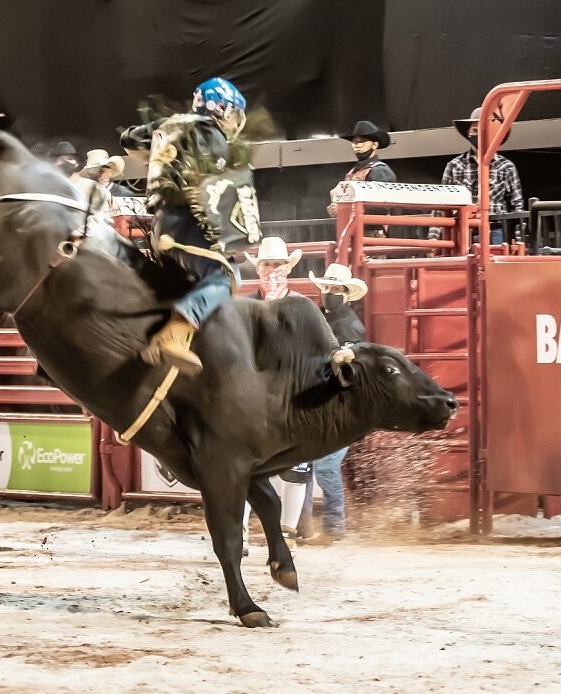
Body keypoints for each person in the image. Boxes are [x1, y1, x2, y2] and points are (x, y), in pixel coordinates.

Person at [121, 77, 261, 376]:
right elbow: (216, 188)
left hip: (159, 226)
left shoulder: (169, 125)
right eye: (234, 113)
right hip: (186, 223)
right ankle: (174, 332)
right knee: (226, 275)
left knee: (180, 284)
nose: (236, 121)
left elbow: (129, 139)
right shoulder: (211, 133)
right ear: (222, 109)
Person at [241, 237, 308, 553]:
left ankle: (288, 533)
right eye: (268, 264)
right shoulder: (247, 306)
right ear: (259, 268)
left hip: (290, 394)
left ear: (287, 268)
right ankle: (238, 532)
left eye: (278, 265)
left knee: (295, 467)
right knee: (241, 467)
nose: (273, 270)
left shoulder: (300, 305)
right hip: (251, 396)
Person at [297, 262, 369, 544]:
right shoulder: (325, 320)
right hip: (323, 404)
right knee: (303, 466)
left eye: (335, 288)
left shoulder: (350, 327)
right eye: (326, 287)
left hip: (339, 407)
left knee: (322, 467)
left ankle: (332, 527)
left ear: (346, 293)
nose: (329, 292)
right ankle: (305, 526)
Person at [436, 107, 524, 244]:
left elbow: (517, 205)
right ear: (468, 133)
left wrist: (520, 239)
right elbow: (441, 204)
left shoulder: (506, 167)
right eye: (474, 130)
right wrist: (434, 238)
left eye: (483, 130)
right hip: (463, 228)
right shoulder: (454, 166)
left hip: (495, 228)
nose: (478, 135)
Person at [327, 120, 396, 237]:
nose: (357, 145)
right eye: (355, 142)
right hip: (354, 232)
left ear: (375, 145)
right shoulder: (354, 171)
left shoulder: (380, 171)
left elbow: (381, 206)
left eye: (363, 141)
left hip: (372, 234)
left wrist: (344, 209)